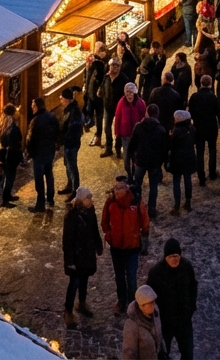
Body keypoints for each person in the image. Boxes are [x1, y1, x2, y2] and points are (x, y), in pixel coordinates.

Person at [101, 175, 149, 315]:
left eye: (120, 187)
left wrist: (139, 235)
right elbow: (104, 221)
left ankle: (132, 303)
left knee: (131, 277)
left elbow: (145, 221)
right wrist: (109, 234)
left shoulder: (135, 201)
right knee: (120, 277)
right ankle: (122, 302)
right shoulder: (110, 202)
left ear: (127, 188)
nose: (117, 190)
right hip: (116, 247)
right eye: (116, 187)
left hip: (131, 247)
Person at [147, 238, 197, 360]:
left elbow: (193, 287)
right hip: (165, 322)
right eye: (171, 256)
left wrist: (191, 307)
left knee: (188, 351)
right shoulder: (156, 272)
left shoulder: (186, 267)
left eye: (176, 256)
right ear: (165, 257)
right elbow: (148, 294)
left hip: (184, 320)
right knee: (162, 353)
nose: (174, 259)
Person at [62, 186, 103, 328]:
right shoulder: (72, 216)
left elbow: (94, 229)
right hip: (77, 256)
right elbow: (67, 240)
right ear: (81, 200)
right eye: (88, 198)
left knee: (84, 279)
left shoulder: (90, 212)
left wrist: (98, 245)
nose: (91, 200)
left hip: (87, 254)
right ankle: (68, 311)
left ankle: (82, 302)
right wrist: (69, 261)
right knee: (74, 283)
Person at [129, 102, 167, 218]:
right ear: (157, 115)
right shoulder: (161, 130)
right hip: (154, 163)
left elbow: (132, 145)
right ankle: (151, 209)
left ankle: (137, 206)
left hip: (140, 161)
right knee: (153, 187)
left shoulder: (138, 127)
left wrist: (132, 158)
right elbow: (164, 149)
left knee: (137, 185)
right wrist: (161, 162)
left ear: (147, 113)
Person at [25, 96, 60, 212]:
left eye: (33, 106)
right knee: (49, 174)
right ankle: (50, 198)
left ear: (36, 107)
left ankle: (40, 204)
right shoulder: (52, 116)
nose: (31, 108)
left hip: (39, 154)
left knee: (39, 179)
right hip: (49, 151)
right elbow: (57, 132)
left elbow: (29, 139)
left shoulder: (35, 121)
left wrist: (29, 153)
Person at [186, 74, 220, 186]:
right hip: (211, 127)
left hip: (198, 127)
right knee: (212, 150)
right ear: (210, 84)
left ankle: (201, 176)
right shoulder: (213, 98)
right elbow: (218, 113)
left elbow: (190, 113)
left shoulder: (194, 97)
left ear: (201, 83)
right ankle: (212, 172)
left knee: (200, 152)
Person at [122, 284, 163, 360]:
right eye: (150, 303)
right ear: (141, 305)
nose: (153, 306)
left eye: (153, 302)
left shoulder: (155, 312)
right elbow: (129, 353)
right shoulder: (131, 325)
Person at [168, 110, 196, 216]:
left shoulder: (176, 131)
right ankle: (188, 202)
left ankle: (177, 205)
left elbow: (172, 146)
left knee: (176, 182)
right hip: (189, 158)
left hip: (177, 160)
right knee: (187, 179)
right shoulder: (191, 129)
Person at [59, 86, 84, 198]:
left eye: (61, 98)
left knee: (72, 166)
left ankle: (75, 190)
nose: (60, 101)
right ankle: (70, 185)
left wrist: (65, 139)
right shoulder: (69, 109)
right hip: (68, 143)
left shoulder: (73, 112)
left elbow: (73, 130)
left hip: (71, 144)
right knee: (67, 164)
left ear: (67, 100)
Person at [0, 103, 23, 208]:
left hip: (3, 154)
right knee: (9, 177)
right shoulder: (12, 128)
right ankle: (5, 200)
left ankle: (8, 196)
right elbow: (15, 141)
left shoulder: (3, 123)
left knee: (6, 176)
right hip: (9, 156)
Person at [100, 58, 126, 158]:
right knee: (107, 127)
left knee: (118, 129)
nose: (114, 68)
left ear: (120, 67)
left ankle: (118, 148)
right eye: (112, 66)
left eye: (116, 66)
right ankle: (108, 148)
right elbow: (102, 88)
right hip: (107, 106)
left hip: (119, 108)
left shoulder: (124, 79)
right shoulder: (106, 77)